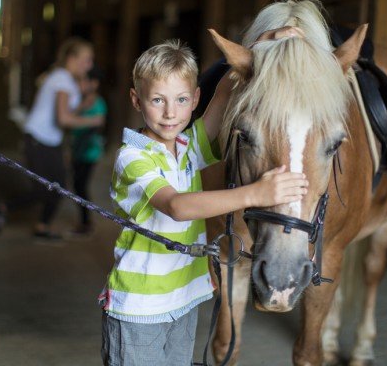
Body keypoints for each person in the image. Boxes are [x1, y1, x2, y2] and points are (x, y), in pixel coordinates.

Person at [99, 33, 307, 365]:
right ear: (136, 101)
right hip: (139, 309)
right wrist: (256, 193)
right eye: (157, 100)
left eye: (181, 100)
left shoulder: (187, 146)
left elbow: (226, 90)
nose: (170, 113)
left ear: (196, 98)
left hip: (183, 300)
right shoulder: (133, 158)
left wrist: (265, 41)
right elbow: (177, 207)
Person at [0, 37, 103, 241]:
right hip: (38, 139)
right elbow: (63, 118)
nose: (89, 65)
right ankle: (2, 208)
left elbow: (65, 112)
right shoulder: (62, 79)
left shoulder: (66, 79)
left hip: (51, 141)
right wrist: (92, 120)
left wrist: (83, 107)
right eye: (87, 59)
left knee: (59, 187)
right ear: (72, 58)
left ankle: (42, 226)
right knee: (45, 189)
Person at [66, 66, 108, 237]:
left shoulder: (98, 103)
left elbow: (97, 126)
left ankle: (86, 224)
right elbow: (68, 119)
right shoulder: (80, 101)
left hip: (89, 152)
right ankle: (85, 222)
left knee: (80, 185)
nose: (81, 84)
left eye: (84, 81)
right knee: (78, 185)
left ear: (94, 84)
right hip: (77, 150)